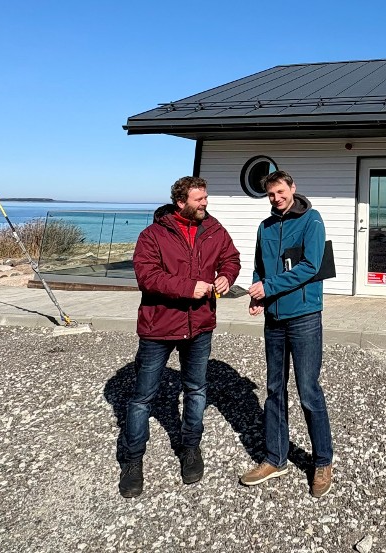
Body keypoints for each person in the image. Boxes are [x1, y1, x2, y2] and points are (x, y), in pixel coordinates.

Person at [116, 176, 241, 498]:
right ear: (181, 202)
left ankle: (190, 448)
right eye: (199, 199)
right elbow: (147, 276)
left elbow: (231, 258)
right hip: (158, 327)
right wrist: (188, 288)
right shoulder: (152, 235)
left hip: (200, 325)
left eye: (206, 197)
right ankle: (132, 460)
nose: (205, 203)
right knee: (142, 397)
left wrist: (226, 276)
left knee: (196, 390)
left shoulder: (213, 229)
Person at [239, 170, 335, 498]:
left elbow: (310, 266)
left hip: (304, 316)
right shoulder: (265, 227)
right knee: (274, 390)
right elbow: (259, 267)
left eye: (281, 191)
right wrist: (257, 295)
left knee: (308, 391)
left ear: (293, 188)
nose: (277, 198)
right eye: (271, 194)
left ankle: (322, 461)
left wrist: (268, 287)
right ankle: (275, 458)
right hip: (274, 319)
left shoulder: (312, 220)